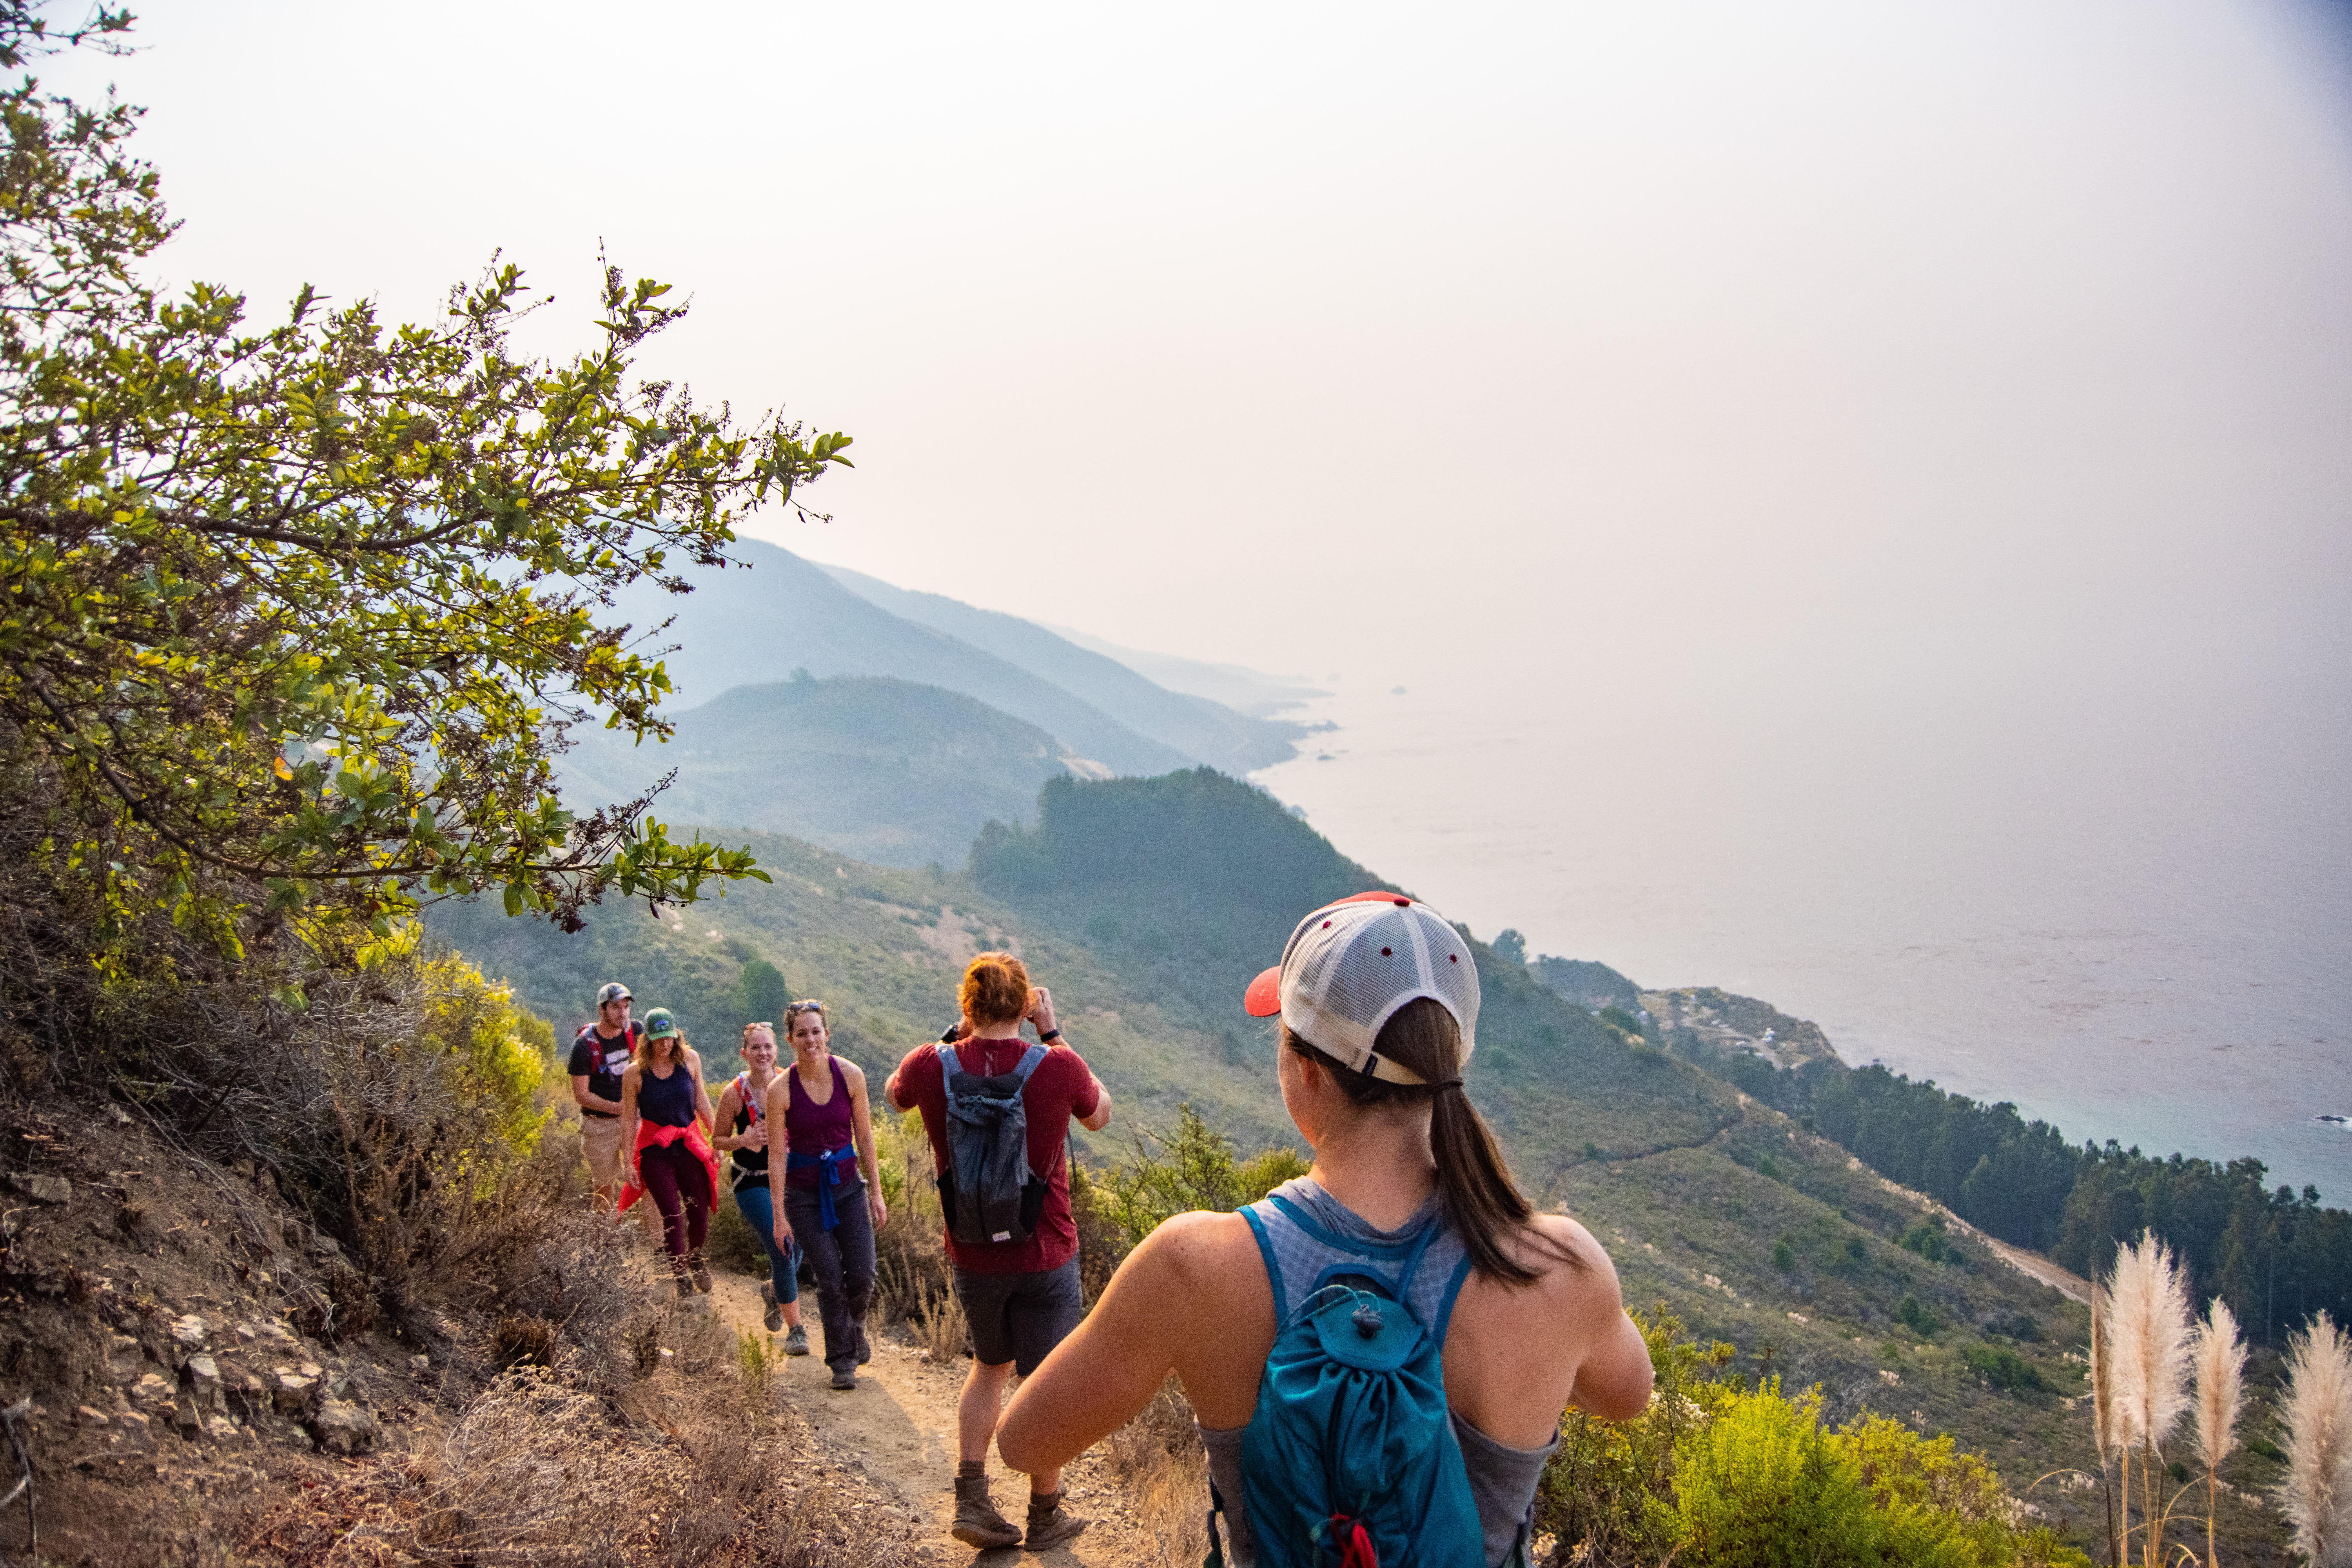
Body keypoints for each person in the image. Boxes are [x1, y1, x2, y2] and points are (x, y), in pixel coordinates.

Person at [996, 894, 1655, 1567]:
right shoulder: (1560, 1265)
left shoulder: (1195, 1264)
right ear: (1450, 1060)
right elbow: (1628, 1396)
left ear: (1305, 1068)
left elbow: (1024, 1443)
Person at [886, 953, 1113, 1552]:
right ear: (1026, 1006)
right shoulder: (1057, 1066)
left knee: (989, 1369)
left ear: (967, 1005)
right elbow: (1100, 1117)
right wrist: (1054, 1031)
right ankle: (1044, 1514)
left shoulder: (931, 1066)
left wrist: (951, 1036)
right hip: (1045, 1254)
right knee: (1047, 1384)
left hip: (972, 1253)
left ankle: (972, 1498)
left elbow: (894, 1095)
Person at [764, 1000, 887, 1391]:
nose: (810, 1039)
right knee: (830, 1277)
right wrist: (779, 1214)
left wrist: (877, 1194)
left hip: (848, 1188)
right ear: (790, 1039)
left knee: (864, 1274)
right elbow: (777, 1155)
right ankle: (842, 1361)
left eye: (816, 1031)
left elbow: (865, 1137)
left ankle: (854, 1329)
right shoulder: (779, 1090)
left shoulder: (851, 1076)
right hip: (803, 1195)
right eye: (802, 1033)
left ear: (827, 1033)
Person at [713, 1022, 809, 1355]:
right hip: (751, 1181)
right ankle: (797, 1329)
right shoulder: (734, 1093)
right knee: (783, 1246)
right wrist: (744, 1139)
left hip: (790, 1178)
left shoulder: (790, 1084)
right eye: (755, 1048)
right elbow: (718, 1139)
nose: (762, 1053)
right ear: (745, 1053)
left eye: (767, 1047)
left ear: (777, 1050)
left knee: (799, 1247)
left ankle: (773, 1291)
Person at [619, 1007, 721, 1298]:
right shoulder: (635, 1074)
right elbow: (628, 1119)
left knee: (698, 1210)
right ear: (648, 1041)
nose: (665, 1045)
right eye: (659, 1039)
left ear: (677, 1036)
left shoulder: (690, 1060)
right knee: (672, 1214)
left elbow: (701, 1099)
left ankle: (697, 1257)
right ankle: (680, 1276)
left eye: (670, 1038)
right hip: (655, 1150)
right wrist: (628, 1162)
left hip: (689, 1144)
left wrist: (718, 1140)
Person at [567, 982, 644, 1213]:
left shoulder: (637, 1033)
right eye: (616, 1007)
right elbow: (581, 1095)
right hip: (599, 1126)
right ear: (602, 1009)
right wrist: (617, 1108)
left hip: (636, 1121)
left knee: (646, 1179)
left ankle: (656, 1242)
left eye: (626, 1007)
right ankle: (603, 1242)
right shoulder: (584, 1046)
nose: (623, 1013)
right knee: (604, 1187)